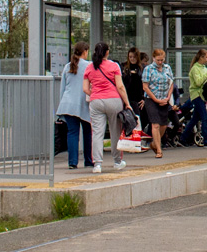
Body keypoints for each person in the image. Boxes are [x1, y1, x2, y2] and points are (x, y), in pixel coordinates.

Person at [84, 42, 129, 172]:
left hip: (96, 101)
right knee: (115, 131)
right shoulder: (114, 66)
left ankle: (97, 164)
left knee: (97, 133)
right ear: (107, 52)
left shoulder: (89, 67)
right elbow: (120, 86)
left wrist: (96, 94)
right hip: (114, 100)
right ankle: (117, 161)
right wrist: (127, 103)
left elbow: (85, 88)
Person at [55, 41, 93, 169]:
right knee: (88, 132)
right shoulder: (89, 65)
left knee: (72, 133)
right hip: (84, 104)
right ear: (85, 51)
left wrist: (62, 105)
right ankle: (88, 160)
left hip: (68, 104)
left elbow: (63, 88)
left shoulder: (67, 66)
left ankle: (72, 162)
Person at [140, 48, 174, 159]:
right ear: (154, 58)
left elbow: (171, 83)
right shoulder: (148, 69)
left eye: (162, 60)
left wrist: (168, 97)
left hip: (164, 99)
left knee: (163, 124)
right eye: (158, 60)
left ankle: (155, 143)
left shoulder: (167, 68)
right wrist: (155, 99)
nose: (160, 62)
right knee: (155, 124)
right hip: (151, 99)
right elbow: (145, 86)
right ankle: (159, 150)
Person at [180, 48, 207, 148]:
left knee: (195, 119)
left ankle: (183, 138)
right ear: (201, 57)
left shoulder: (203, 68)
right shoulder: (195, 68)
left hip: (202, 95)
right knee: (204, 117)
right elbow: (199, 82)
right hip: (197, 95)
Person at [121, 48, 146, 112]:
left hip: (138, 98)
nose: (132, 59)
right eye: (130, 57)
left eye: (134, 57)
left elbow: (145, 84)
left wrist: (144, 98)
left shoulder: (142, 68)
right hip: (126, 96)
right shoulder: (124, 67)